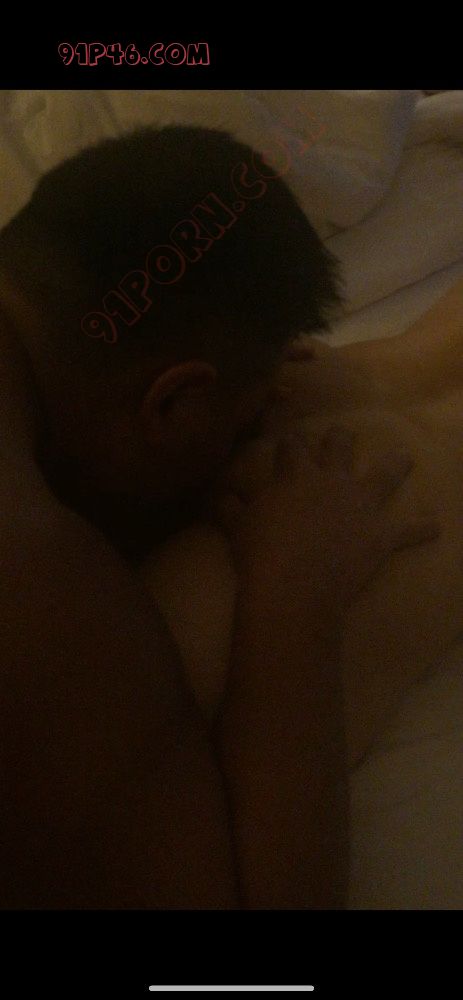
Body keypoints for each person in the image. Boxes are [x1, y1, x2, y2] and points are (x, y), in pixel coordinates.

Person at [0, 126, 439, 910]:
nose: (255, 432)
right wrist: (294, 587)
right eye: (239, 424)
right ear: (172, 402)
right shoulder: (41, 594)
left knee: (336, 392)